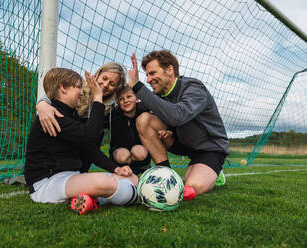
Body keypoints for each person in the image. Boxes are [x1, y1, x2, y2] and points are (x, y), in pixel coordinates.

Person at [24, 68, 138, 215]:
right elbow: (89, 135)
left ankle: (91, 198)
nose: (81, 91)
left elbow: (88, 148)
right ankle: (141, 196)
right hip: (47, 183)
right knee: (102, 182)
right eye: (78, 87)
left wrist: (116, 169)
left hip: (72, 176)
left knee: (132, 178)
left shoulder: (70, 113)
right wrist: (98, 97)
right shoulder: (52, 114)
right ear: (63, 88)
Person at [127, 50, 229, 200]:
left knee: (193, 186)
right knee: (144, 120)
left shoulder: (193, 88)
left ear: (170, 70)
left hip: (210, 148)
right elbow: (137, 109)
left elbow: (177, 116)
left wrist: (137, 86)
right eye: (147, 75)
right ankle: (168, 177)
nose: (148, 80)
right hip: (183, 142)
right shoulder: (159, 95)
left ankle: (215, 172)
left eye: (152, 73)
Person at [109, 84, 151, 175]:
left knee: (139, 152)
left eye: (129, 97)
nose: (125, 101)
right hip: (120, 153)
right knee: (122, 155)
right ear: (118, 102)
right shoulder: (113, 115)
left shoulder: (144, 111)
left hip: (140, 152)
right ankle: (124, 170)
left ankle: (144, 168)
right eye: (121, 99)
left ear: (137, 99)